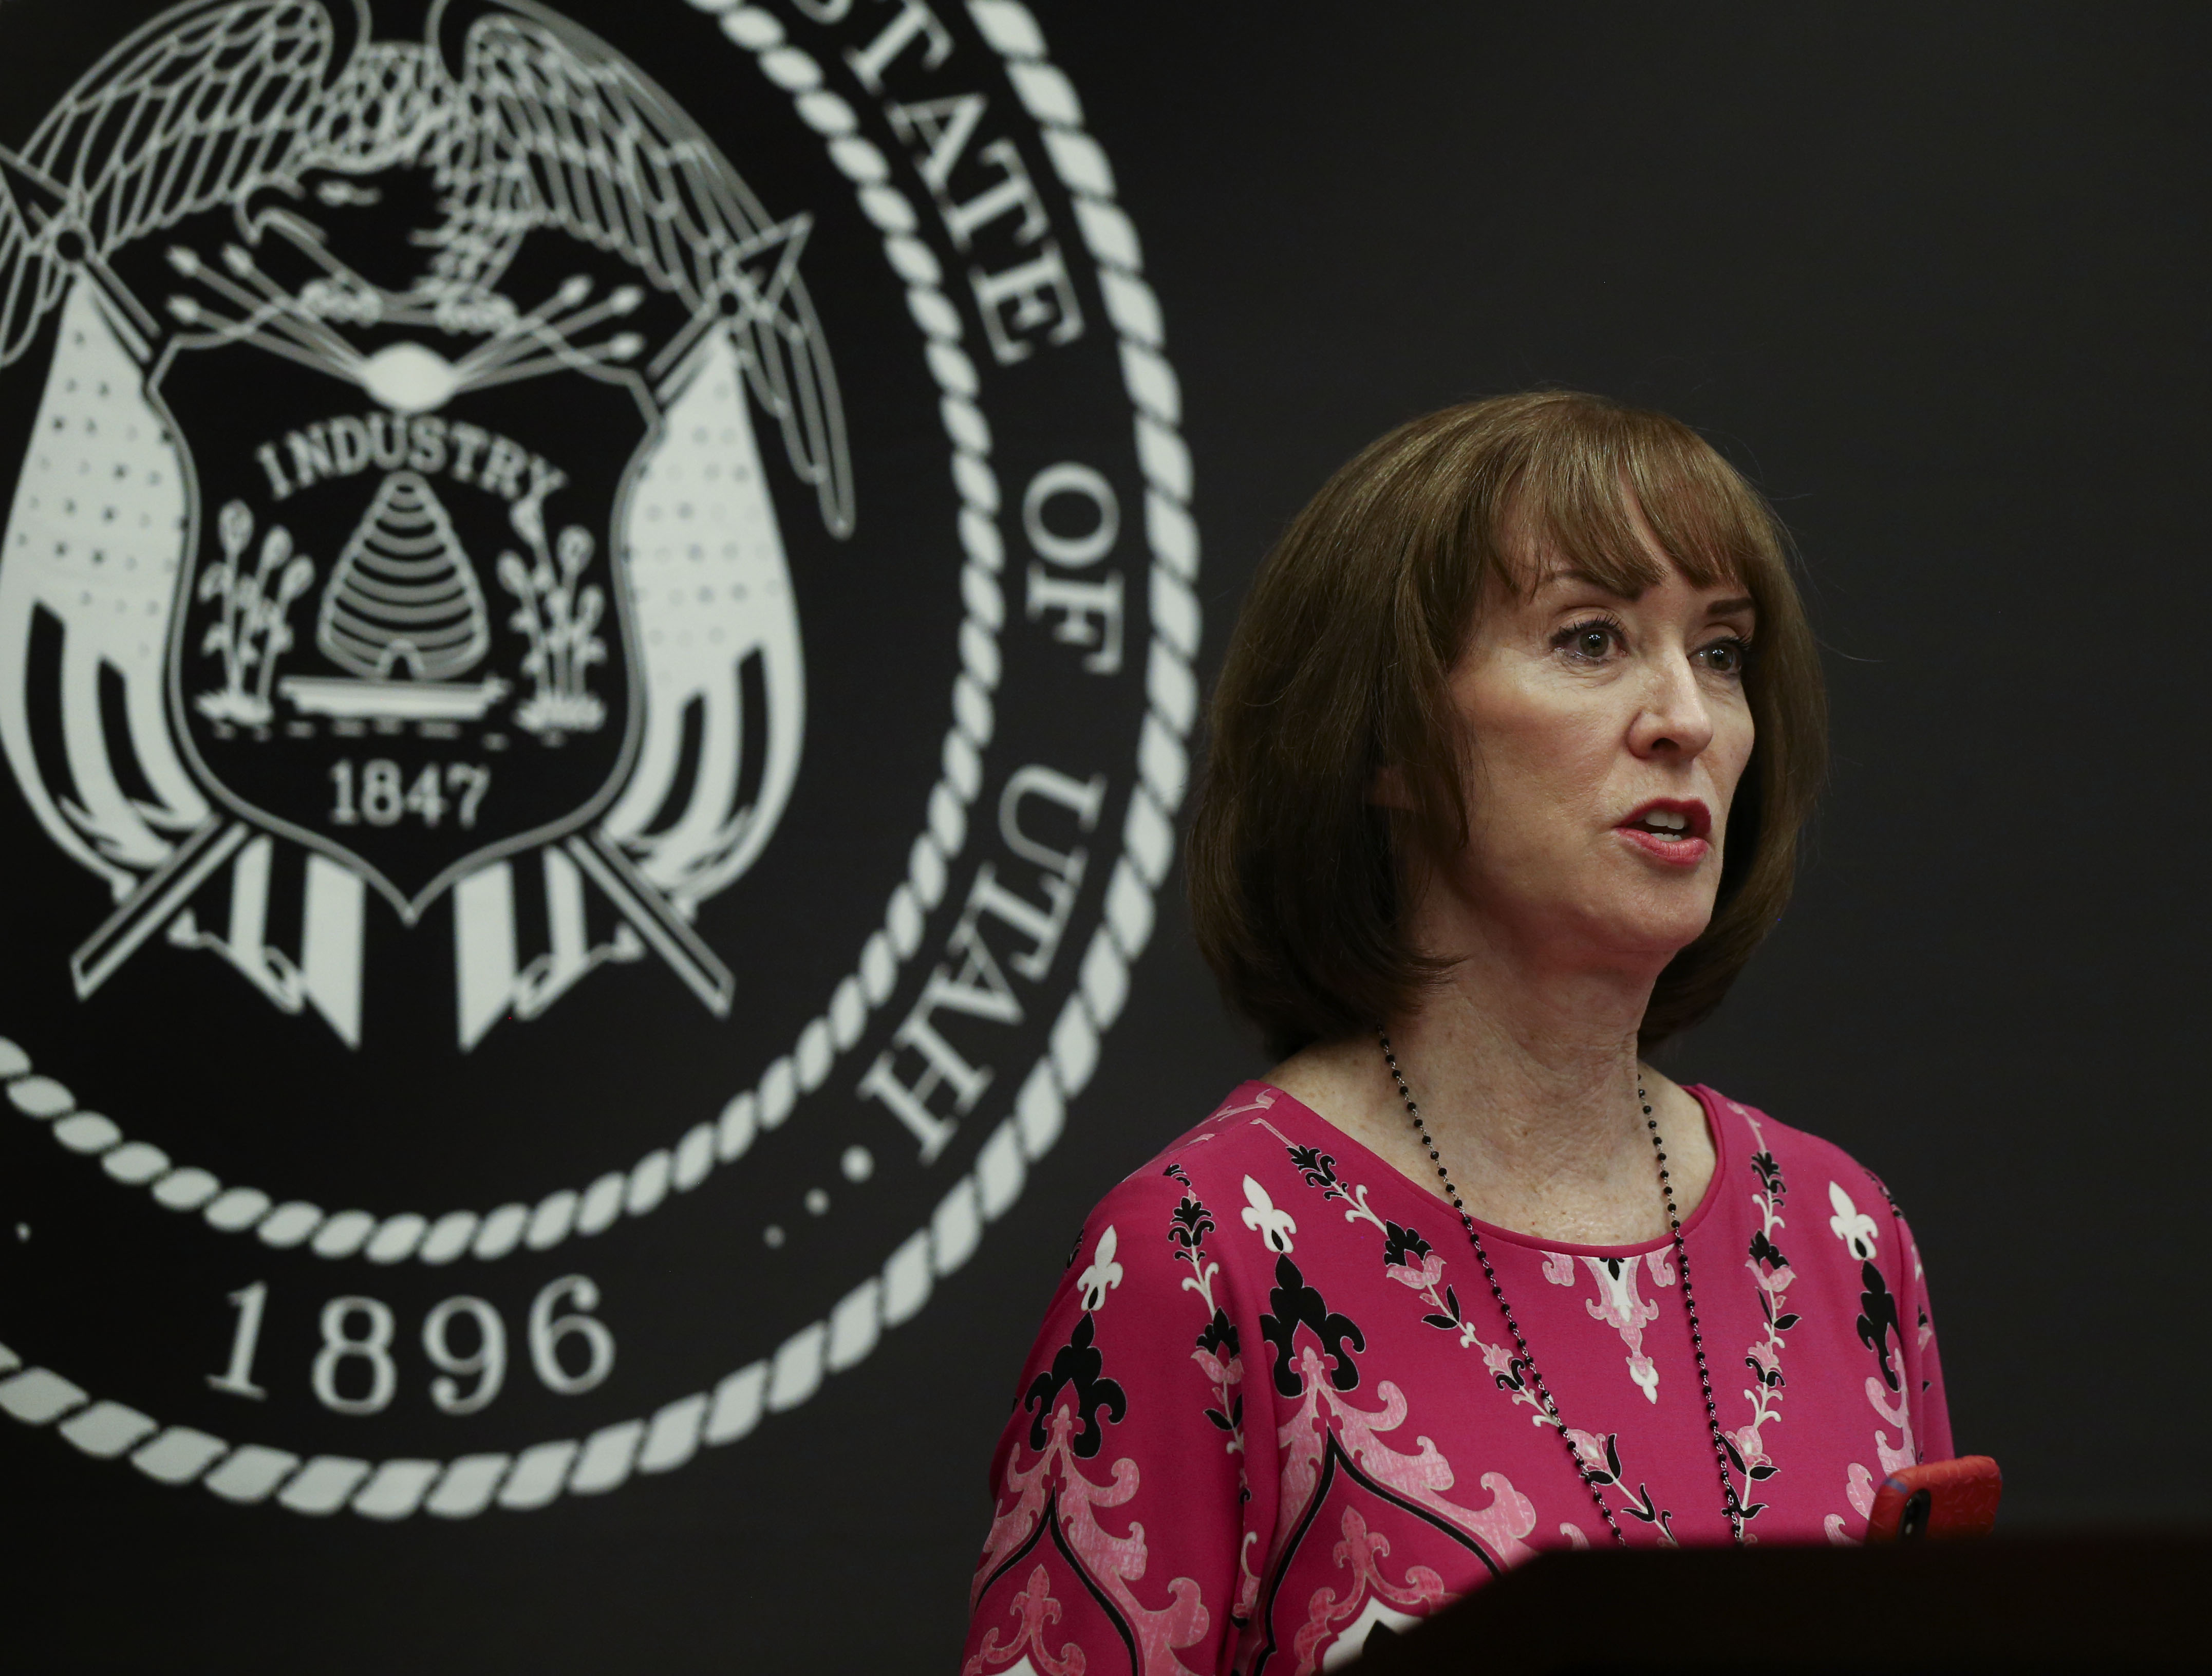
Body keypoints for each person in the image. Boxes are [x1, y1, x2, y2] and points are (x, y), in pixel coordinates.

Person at [958, 393, 1952, 1675]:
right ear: (1382, 738)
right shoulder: (1196, 1257)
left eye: (1718, 650)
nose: (1687, 720)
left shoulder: (1840, 1231)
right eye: (1590, 639)